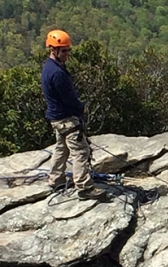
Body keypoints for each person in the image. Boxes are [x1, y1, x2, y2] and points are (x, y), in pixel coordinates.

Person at [41, 29, 105, 199]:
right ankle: (84, 187)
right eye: (64, 51)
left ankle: (56, 180)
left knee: (62, 149)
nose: (67, 54)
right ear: (53, 50)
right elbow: (69, 99)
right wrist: (81, 109)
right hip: (66, 118)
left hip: (56, 118)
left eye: (68, 50)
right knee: (80, 151)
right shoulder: (57, 73)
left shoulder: (50, 67)